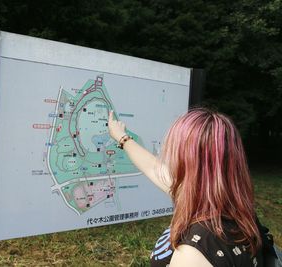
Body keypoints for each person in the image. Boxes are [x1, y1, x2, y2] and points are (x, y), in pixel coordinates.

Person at [107, 108, 262, 267]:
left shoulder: (193, 255)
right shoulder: (236, 213)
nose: (166, 156)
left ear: (187, 164)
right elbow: (153, 167)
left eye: (172, 151)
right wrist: (122, 137)